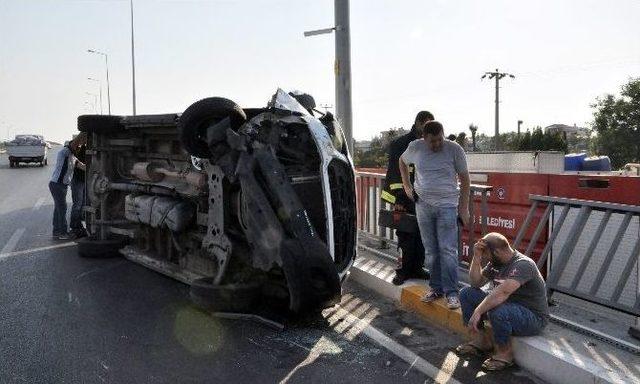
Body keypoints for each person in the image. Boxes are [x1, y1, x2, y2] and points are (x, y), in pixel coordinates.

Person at [399, 121, 470, 309]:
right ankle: (436, 288)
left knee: (447, 250)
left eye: (440, 139)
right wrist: (407, 185)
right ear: (424, 138)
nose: (438, 144)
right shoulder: (415, 148)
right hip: (423, 205)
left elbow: (465, 179)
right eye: (433, 141)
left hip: (447, 206)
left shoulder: (454, 149)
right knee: (431, 250)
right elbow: (402, 162)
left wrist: (464, 208)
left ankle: (452, 292)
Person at [455, 232, 549, 371]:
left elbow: (503, 293)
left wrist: (478, 311)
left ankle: (505, 353)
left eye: (485, 254)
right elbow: (476, 282)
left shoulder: (523, 264)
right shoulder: (496, 263)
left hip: (533, 317)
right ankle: (481, 341)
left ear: (497, 252)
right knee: (466, 294)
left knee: (497, 310)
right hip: (509, 308)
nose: (486, 258)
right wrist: (477, 257)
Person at [381, 111, 434, 285]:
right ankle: (402, 271)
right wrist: (400, 200)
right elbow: (395, 174)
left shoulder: (429, 145)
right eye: (426, 125)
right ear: (418, 123)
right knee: (405, 236)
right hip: (404, 199)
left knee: (421, 236)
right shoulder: (401, 144)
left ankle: (417, 268)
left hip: (424, 199)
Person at [49, 134, 86, 240]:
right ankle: (63, 233)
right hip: (57, 184)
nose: (79, 147)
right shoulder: (64, 152)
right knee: (62, 208)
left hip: (62, 185)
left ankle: (56, 231)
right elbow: (74, 144)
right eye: (77, 145)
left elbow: (83, 167)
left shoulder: (73, 157)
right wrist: (82, 136)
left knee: (58, 209)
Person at [70, 139, 88, 237]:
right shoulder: (80, 149)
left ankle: (80, 225)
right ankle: (74, 227)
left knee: (83, 204)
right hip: (78, 181)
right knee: (77, 205)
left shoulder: (92, 149)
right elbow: (75, 161)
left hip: (85, 181)